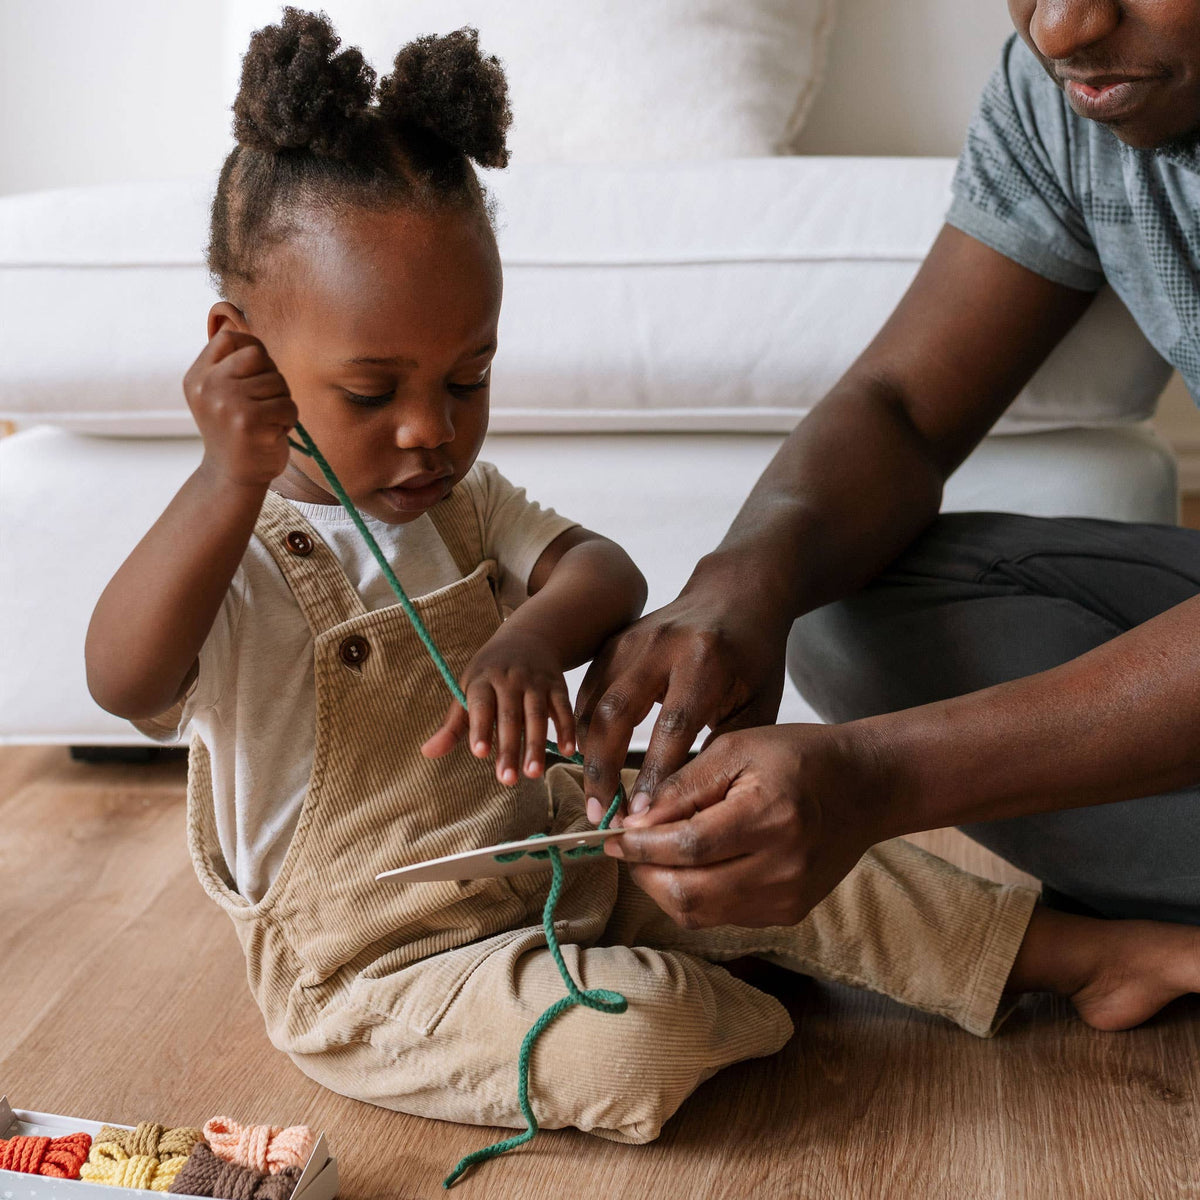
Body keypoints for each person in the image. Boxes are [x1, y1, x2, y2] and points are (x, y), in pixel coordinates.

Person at [84, 7, 1200, 1157]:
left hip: (559, 861)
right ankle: (719, 981)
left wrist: (528, 639)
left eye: (468, 380)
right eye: (374, 395)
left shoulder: (465, 501)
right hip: (384, 964)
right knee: (636, 1033)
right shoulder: (241, 540)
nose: (429, 432)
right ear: (241, 351)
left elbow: (600, 571)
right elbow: (127, 676)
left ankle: (1085, 953)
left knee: (837, 863)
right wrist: (225, 479)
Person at [579, 0, 1200, 934]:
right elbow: (903, 408)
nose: (1062, 28)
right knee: (841, 604)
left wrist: (876, 780)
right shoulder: (1060, 98)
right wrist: (739, 581)